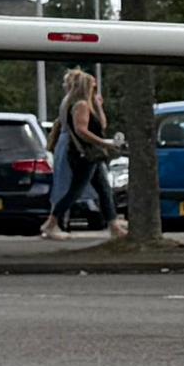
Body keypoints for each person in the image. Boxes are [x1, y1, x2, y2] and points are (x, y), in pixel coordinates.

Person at [51, 70, 117, 239]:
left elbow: (101, 124)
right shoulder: (80, 105)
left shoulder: (84, 103)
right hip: (84, 151)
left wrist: (98, 105)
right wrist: (104, 143)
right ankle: (52, 223)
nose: (95, 90)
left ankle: (114, 225)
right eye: (93, 87)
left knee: (103, 188)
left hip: (89, 151)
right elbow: (81, 130)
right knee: (75, 189)